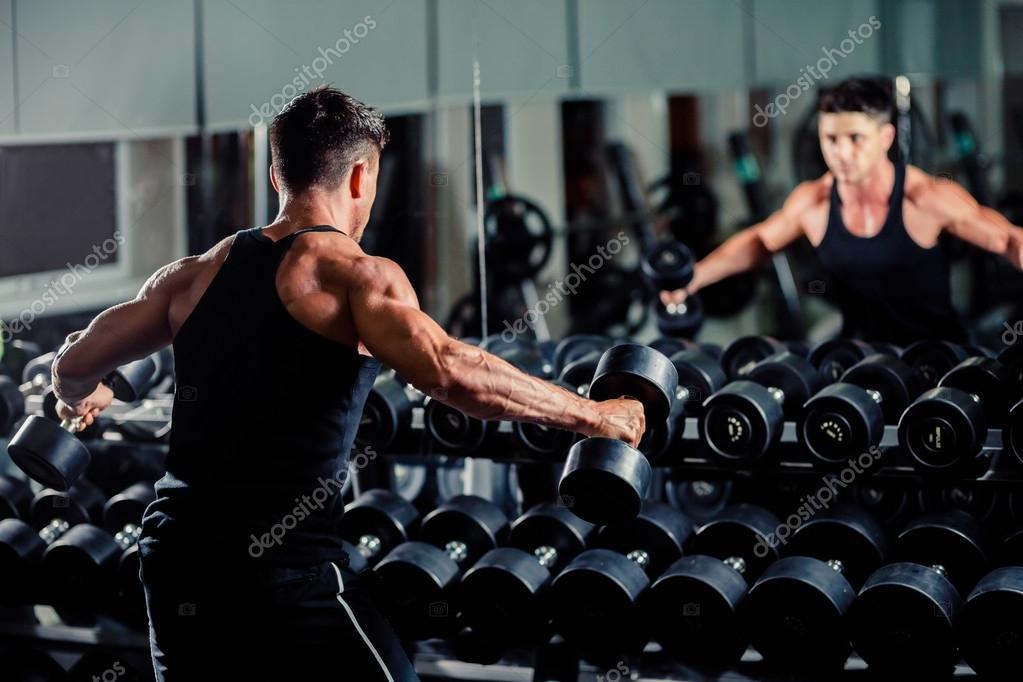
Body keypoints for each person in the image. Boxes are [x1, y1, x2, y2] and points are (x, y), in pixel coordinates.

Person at [48, 86, 645, 681]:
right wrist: (595, 416)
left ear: (277, 174)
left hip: (177, 559)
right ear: (361, 176)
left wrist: (85, 396)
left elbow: (71, 367)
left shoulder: (192, 276)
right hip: (284, 571)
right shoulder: (356, 276)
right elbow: (449, 371)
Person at [661, 77, 1023, 346]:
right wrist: (694, 277)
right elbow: (760, 241)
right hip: (859, 360)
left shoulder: (925, 197)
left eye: (855, 139)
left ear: (885, 138)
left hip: (940, 359)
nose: (842, 153)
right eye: (831, 139)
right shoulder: (813, 201)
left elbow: (1008, 240)